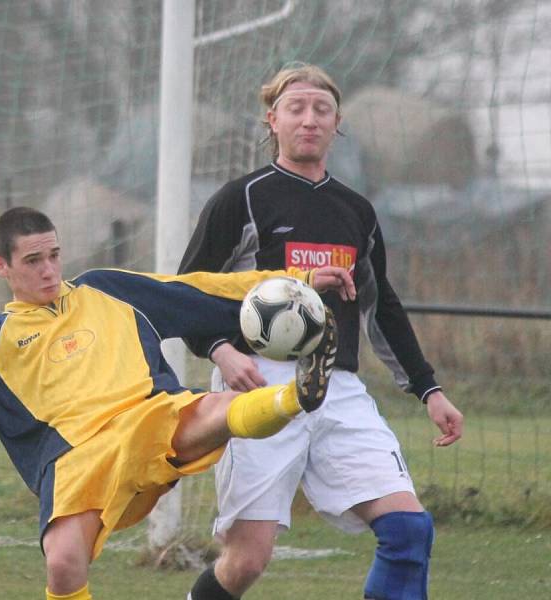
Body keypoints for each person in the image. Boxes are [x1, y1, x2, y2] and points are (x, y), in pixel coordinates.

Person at [0, 206, 355, 600]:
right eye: (33, 260)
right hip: (74, 461)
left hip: (146, 417)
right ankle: (286, 398)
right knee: (64, 566)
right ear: (3, 268)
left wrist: (296, 276)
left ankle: (293, 395)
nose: (48, 269)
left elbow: (201, 288)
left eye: (54, 255)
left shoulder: (108, 291)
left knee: (206, 413)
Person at [179, 63, 464, 600]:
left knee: (409, 530)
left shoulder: (357, 210)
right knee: (247, 559)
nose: (309, 119)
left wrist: (429, 389)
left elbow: (383, 307)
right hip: (258, 389)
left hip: (337, 386)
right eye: (296, 108)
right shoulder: (241, 199)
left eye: (321, 109)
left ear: (337, 123)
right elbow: (188, 294)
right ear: (273, 121)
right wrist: (220, 352)